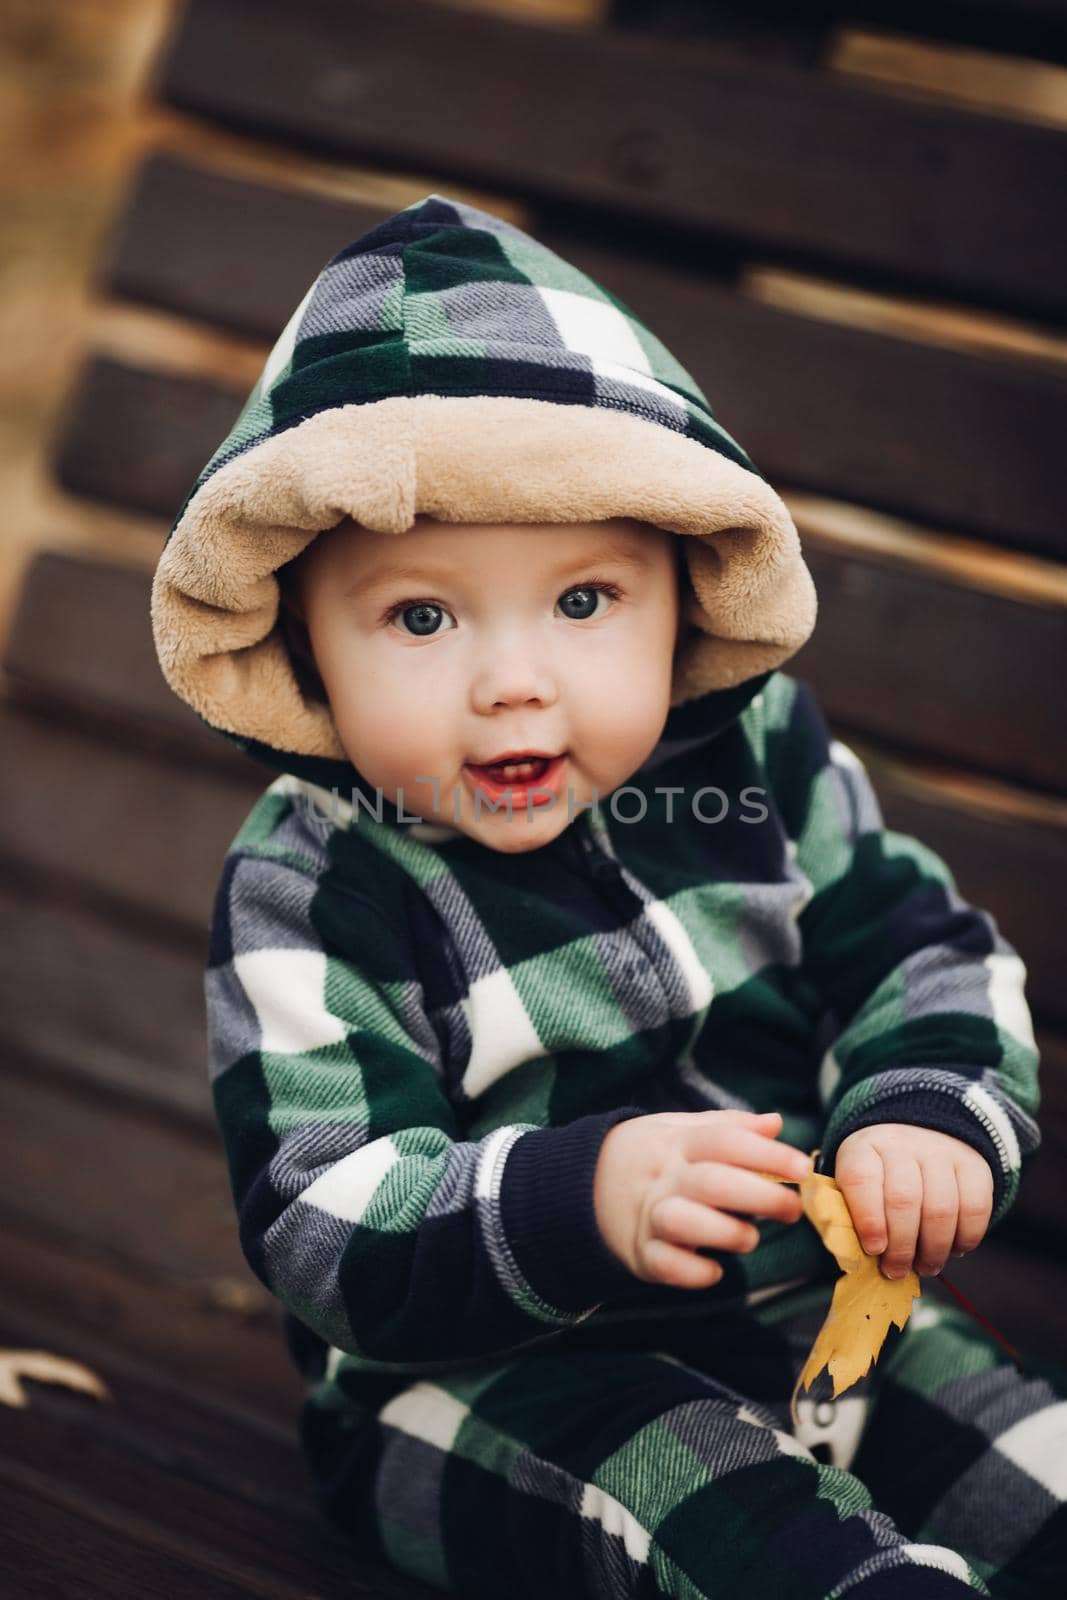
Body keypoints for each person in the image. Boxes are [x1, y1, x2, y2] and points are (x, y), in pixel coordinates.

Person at [151, 193, 1066, 1597]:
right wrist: (577, 1200)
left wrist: (931, 1113)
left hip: (823, 1320)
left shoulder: (763, 763)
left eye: (585, 602)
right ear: (306, 648)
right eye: (419, 616)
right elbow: (319, 1212)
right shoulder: (316, 881)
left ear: (685, 598)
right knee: (740, 1521)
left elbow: (926, 958)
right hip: (486, 1387)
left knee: (1035, 1471)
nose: (515, 681)